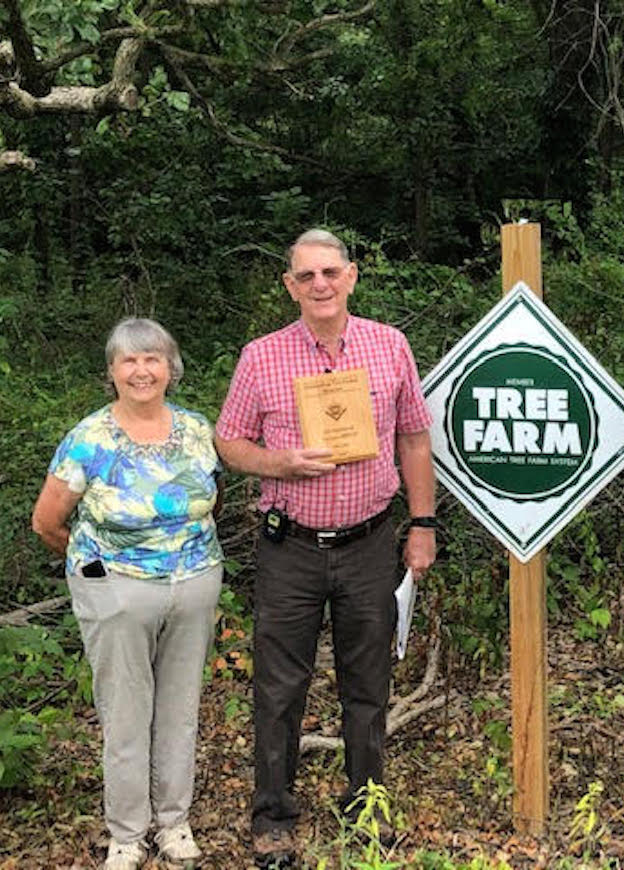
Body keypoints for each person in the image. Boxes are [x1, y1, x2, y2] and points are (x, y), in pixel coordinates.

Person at [215, 228, 436, 869]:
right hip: (291, 548)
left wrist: (422, 524)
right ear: (290, 285)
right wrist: (278, 461)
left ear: (352, 276)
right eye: (306, 275)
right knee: (280, 688)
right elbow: (230, 445)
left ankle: (365, 806)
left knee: (368, 684)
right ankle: (273, 817)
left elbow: (415, 440)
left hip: (370, 543)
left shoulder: (389, 346)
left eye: (330, 272)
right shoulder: (261, 357)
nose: (320, 284)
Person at [32, 318, 223, 870]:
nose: (142, 370)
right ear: (112, 371)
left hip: (194, 583)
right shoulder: (89, 438)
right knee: (125, 713)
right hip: (116, 591)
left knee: (181, 710)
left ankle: (174, 822)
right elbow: (47, 522)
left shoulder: (195, 429)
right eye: (128, 360)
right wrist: (99, 572)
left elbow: (211, 498)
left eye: (152, 359)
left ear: (171, 367)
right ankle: (126, 832)